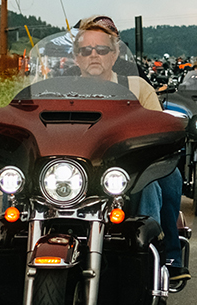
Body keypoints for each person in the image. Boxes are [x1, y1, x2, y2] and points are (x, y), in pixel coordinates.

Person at [72, 16, 187, 281]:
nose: (93, 55)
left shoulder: (136, 86)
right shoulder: (58, 90)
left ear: (113, 54)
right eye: (86, 50)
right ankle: (12, 251)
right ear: (77, 56)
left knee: (156, 180)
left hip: (125, 165)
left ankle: (155, 252)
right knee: (18, 183)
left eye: (101, 49)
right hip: (76, 166)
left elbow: (159, 130)